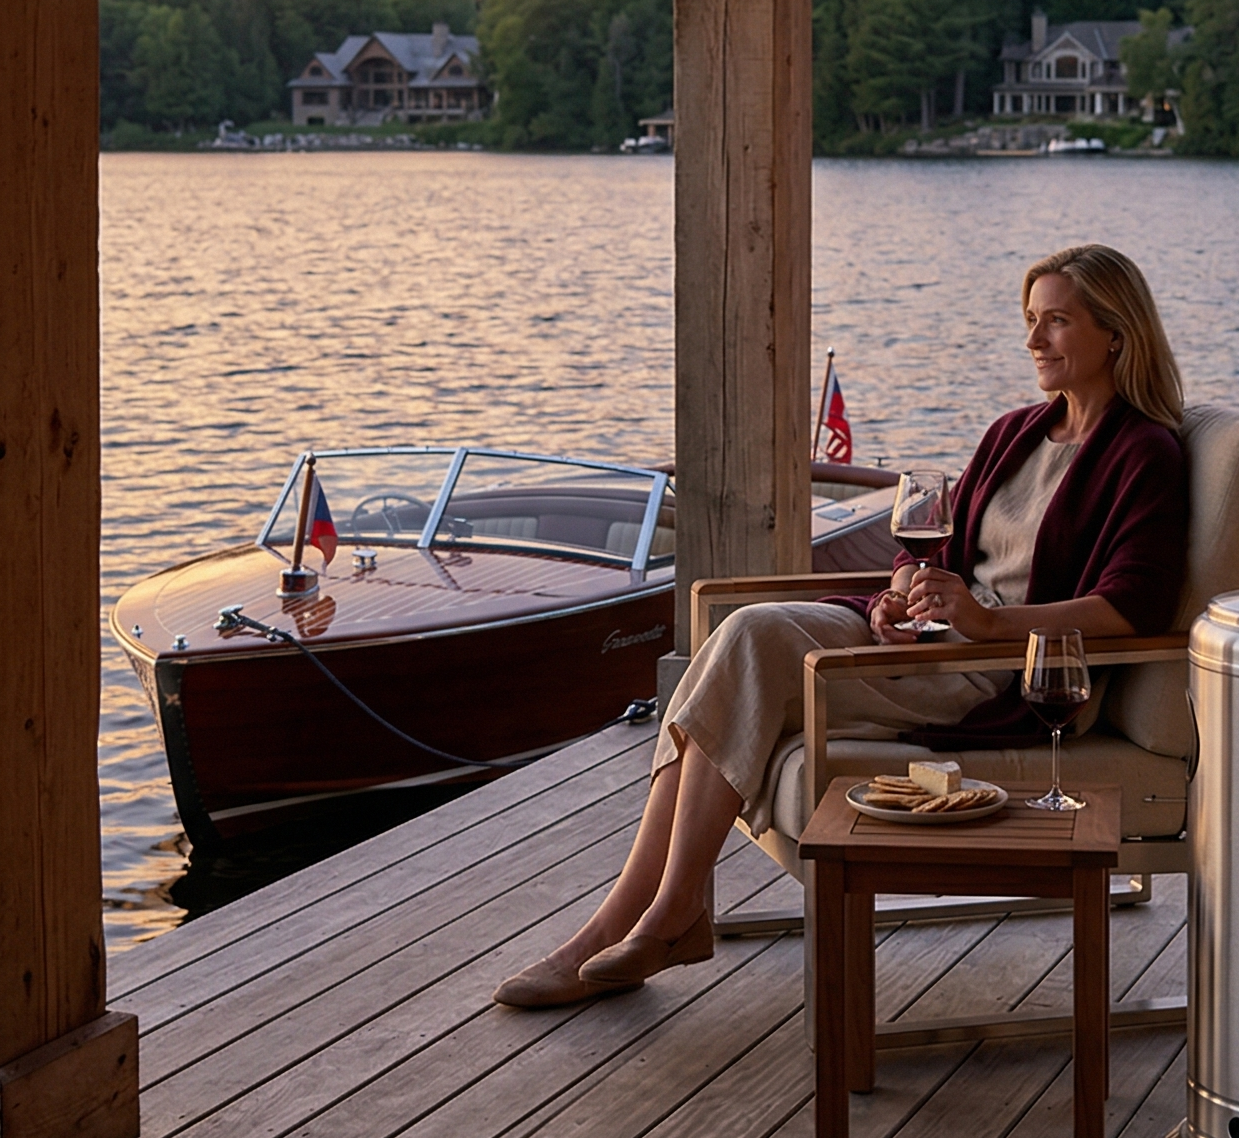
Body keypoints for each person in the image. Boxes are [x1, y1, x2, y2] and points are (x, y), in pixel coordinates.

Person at [492, 242, 1188, 1008]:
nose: (1032, 340)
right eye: (1030, 319)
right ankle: (653, 913)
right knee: (745, 632)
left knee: (748, 651)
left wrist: (988, 621)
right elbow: (932, 553)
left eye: (1056, 322)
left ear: (1115, 333)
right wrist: (898, 595)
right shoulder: (1014, 432)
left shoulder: (1143, 454)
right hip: (923, 643)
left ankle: (651, 915)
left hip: (993, 672)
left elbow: (1133, 606)